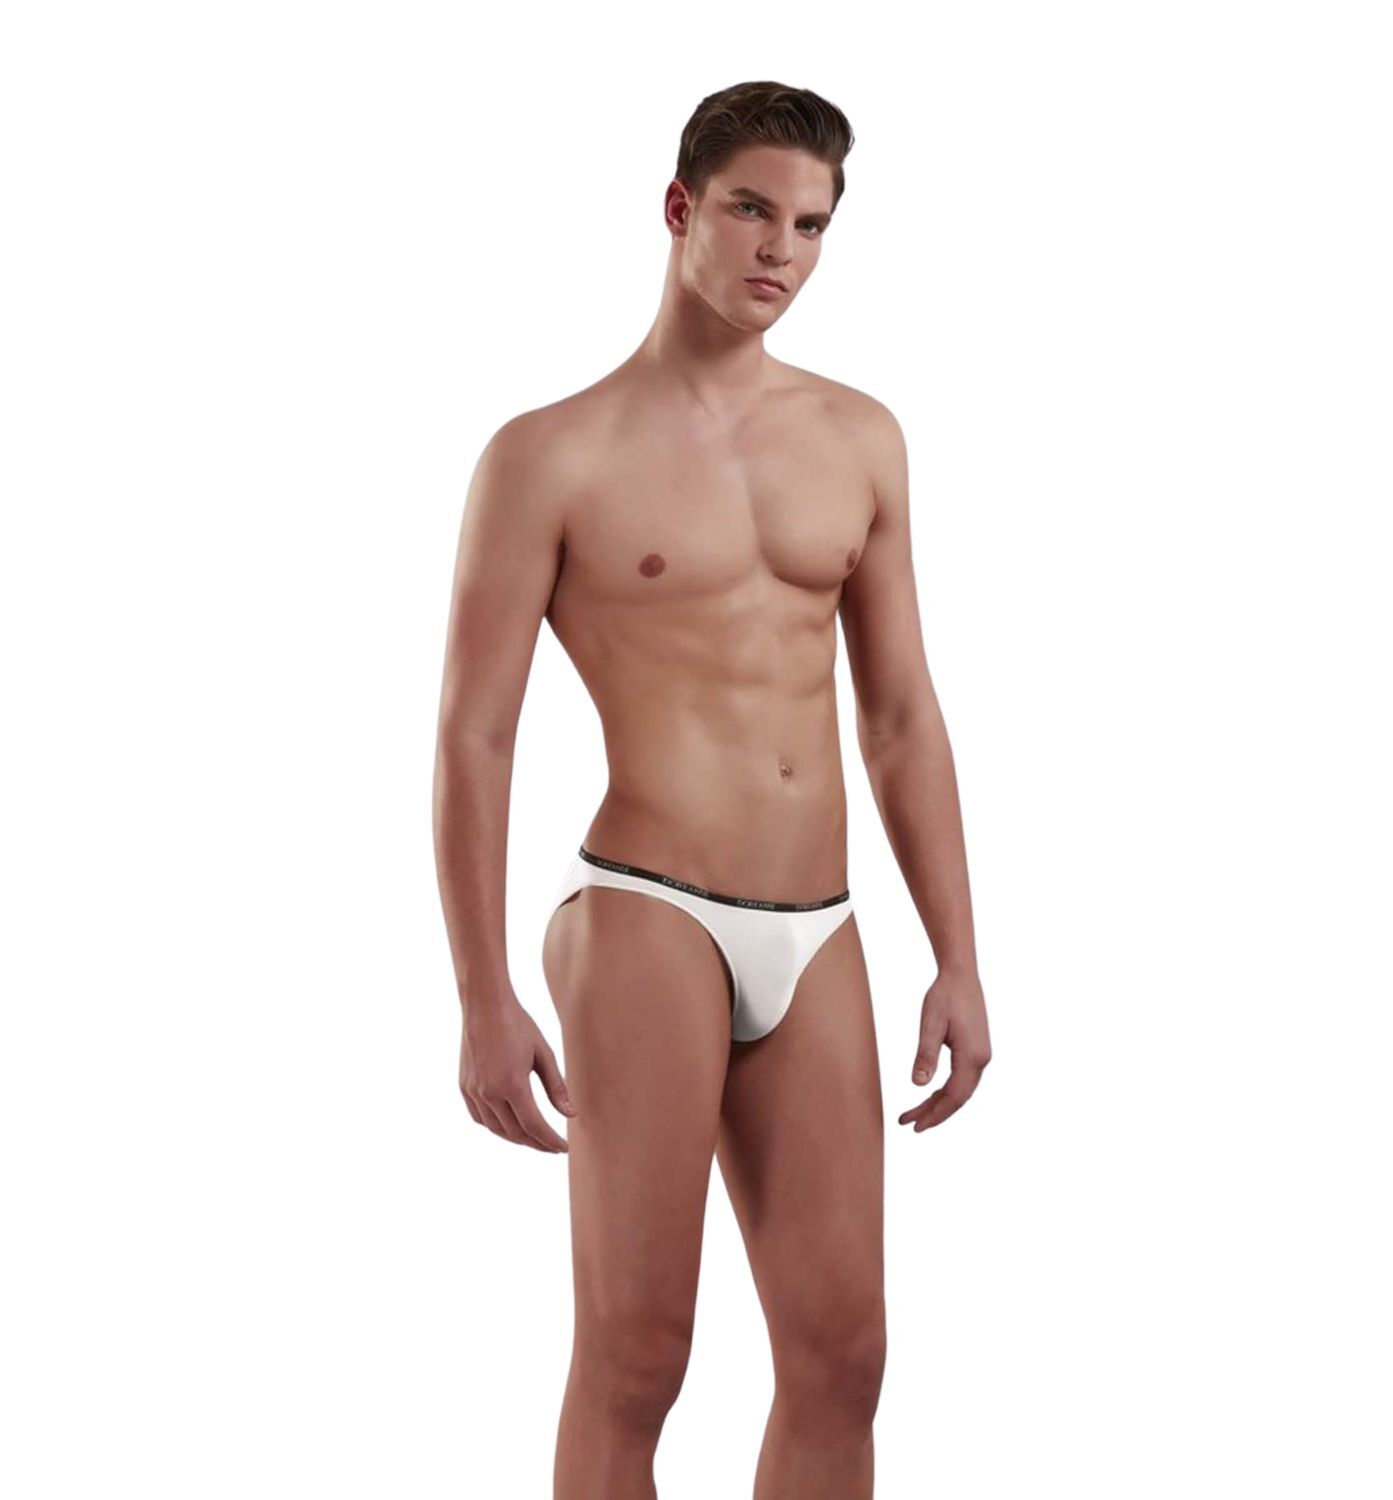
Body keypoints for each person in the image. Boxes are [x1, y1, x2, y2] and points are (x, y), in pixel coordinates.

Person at [432, 79, 991, 1499]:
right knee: (637, 1358)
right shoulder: (549, 454)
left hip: (820, 922)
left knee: (844, 1354)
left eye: (810, 225)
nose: (779, 250)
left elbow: (902, 714)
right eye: (751, 210)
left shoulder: (861, 438)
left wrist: (960, 955)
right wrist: (482, 996)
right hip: (646, 912)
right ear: (680, 208)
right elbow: (474, 736)